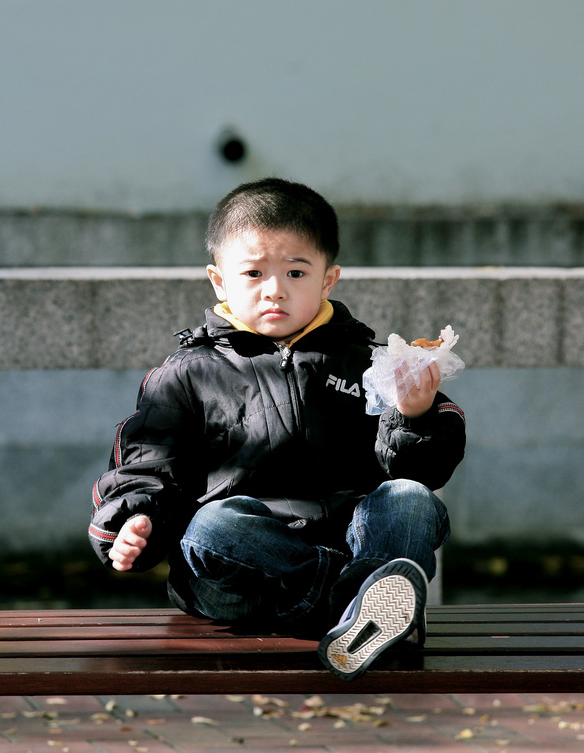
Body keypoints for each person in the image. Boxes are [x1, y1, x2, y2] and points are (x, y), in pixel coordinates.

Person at [87, 177, 466, 680]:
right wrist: (136, 521)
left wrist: (413, 415)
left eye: (295, 271)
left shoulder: (371, 364)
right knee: (212, 526)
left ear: (328, 280)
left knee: (408, 499)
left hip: (351, 540)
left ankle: (365, 608)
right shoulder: (186, 372)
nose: (275, 290)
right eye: (253, 273)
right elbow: (148, 464)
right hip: (245, 578)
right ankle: (363, 606)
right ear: (219, 280)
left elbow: (425, 470)